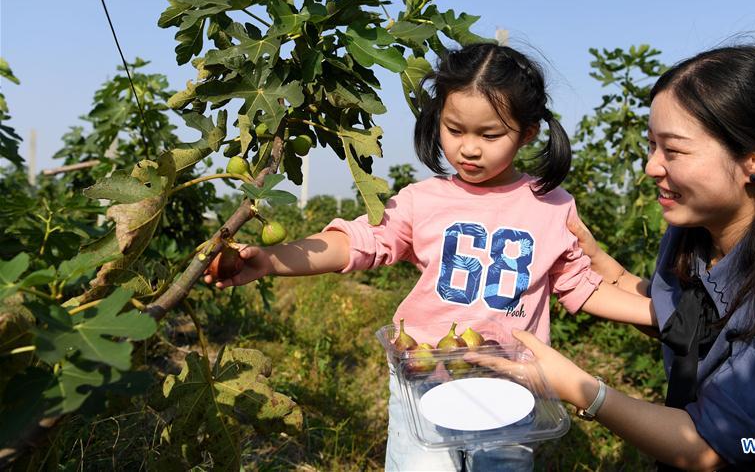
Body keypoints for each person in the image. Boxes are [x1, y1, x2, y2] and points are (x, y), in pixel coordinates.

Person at [204, 43, 655, 471]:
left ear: (529, 133)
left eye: (490, 134)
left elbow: (581, 287)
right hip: (424, 374)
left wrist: (663, 314)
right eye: (454, 130)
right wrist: (272, 260)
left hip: (512, 382)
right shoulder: (423, 200)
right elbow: (360, 242)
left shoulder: (553, 206)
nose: (468, 148)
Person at [470, 45, 755, 470]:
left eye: (672, 150)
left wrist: (579, 387)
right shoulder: (693, 236)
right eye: (652, 145)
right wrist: (597, 262)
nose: (651, 166)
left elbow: (708, 447)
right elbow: (684, 322)